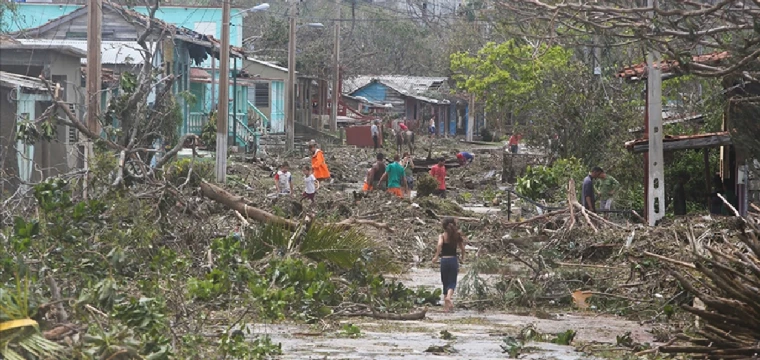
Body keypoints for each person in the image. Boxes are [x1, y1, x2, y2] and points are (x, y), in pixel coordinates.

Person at [431, 217, 467, 312]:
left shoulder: (442, 236)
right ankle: (449, 297)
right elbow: (463, 249)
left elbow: (439, 245)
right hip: (453, 260)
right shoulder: (457, 236)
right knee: (452, 282)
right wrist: (463, 258)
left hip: (444, 260)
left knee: (445, 282)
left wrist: (436, 257)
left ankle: (446, 308)